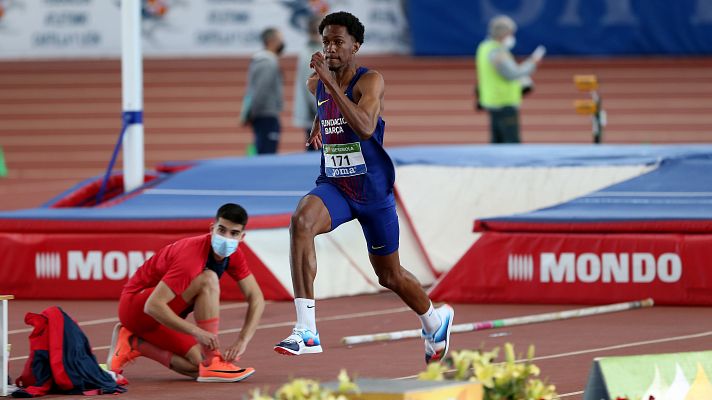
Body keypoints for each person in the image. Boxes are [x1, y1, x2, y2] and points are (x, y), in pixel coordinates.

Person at [273, 11, 454, 364]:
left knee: (390, 276)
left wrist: (328, 82)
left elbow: (366, 127)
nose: (330, 48)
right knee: (301, 222)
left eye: (339, 42)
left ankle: (434, 319)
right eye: (325, 42)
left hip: (373, 193)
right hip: (336, 187)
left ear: (356, 45)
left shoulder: (370, 81)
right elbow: (327, 108)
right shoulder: (316, 85)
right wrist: (318, 124)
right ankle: (306, 330)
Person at [107, 203, 265, 383]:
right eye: (222, 230)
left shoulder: (234, 255)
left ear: (242, 237)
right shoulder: (191, 256)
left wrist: (242, 341)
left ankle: (134, 343)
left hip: (160, 317)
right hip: (136, 308)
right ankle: (213, 360)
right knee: (208, 279)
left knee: (199, 366)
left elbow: (256, 298)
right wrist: (196, 331)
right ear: (212, 228)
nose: (226, 238)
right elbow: (153, 305)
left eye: (234, 233)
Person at [476, 15, 545, 143]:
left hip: (493, 100)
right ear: (504, 34)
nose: (512, 37)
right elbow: (513, 73)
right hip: (504, 103)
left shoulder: (484, 47)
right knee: (511, 143)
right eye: (510, 34)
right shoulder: (497, 52)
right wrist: (533, 63)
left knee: (497, 142)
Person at [241, 28, 285, 154]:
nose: (282, 43)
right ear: (271, 41)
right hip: (266, 115)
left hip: (264, 114)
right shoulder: (267, 63)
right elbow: (261, 91)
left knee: (264, 150)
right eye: (280, 40)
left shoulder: (264, 61)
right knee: (266, 153)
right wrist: (251, 114)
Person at [293, 15, 323, 152]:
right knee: (318, 151)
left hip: (320, 110)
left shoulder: (310, 51)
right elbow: (310, 85)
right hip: (317, 112)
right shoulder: (310, 54)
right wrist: (317, 109)